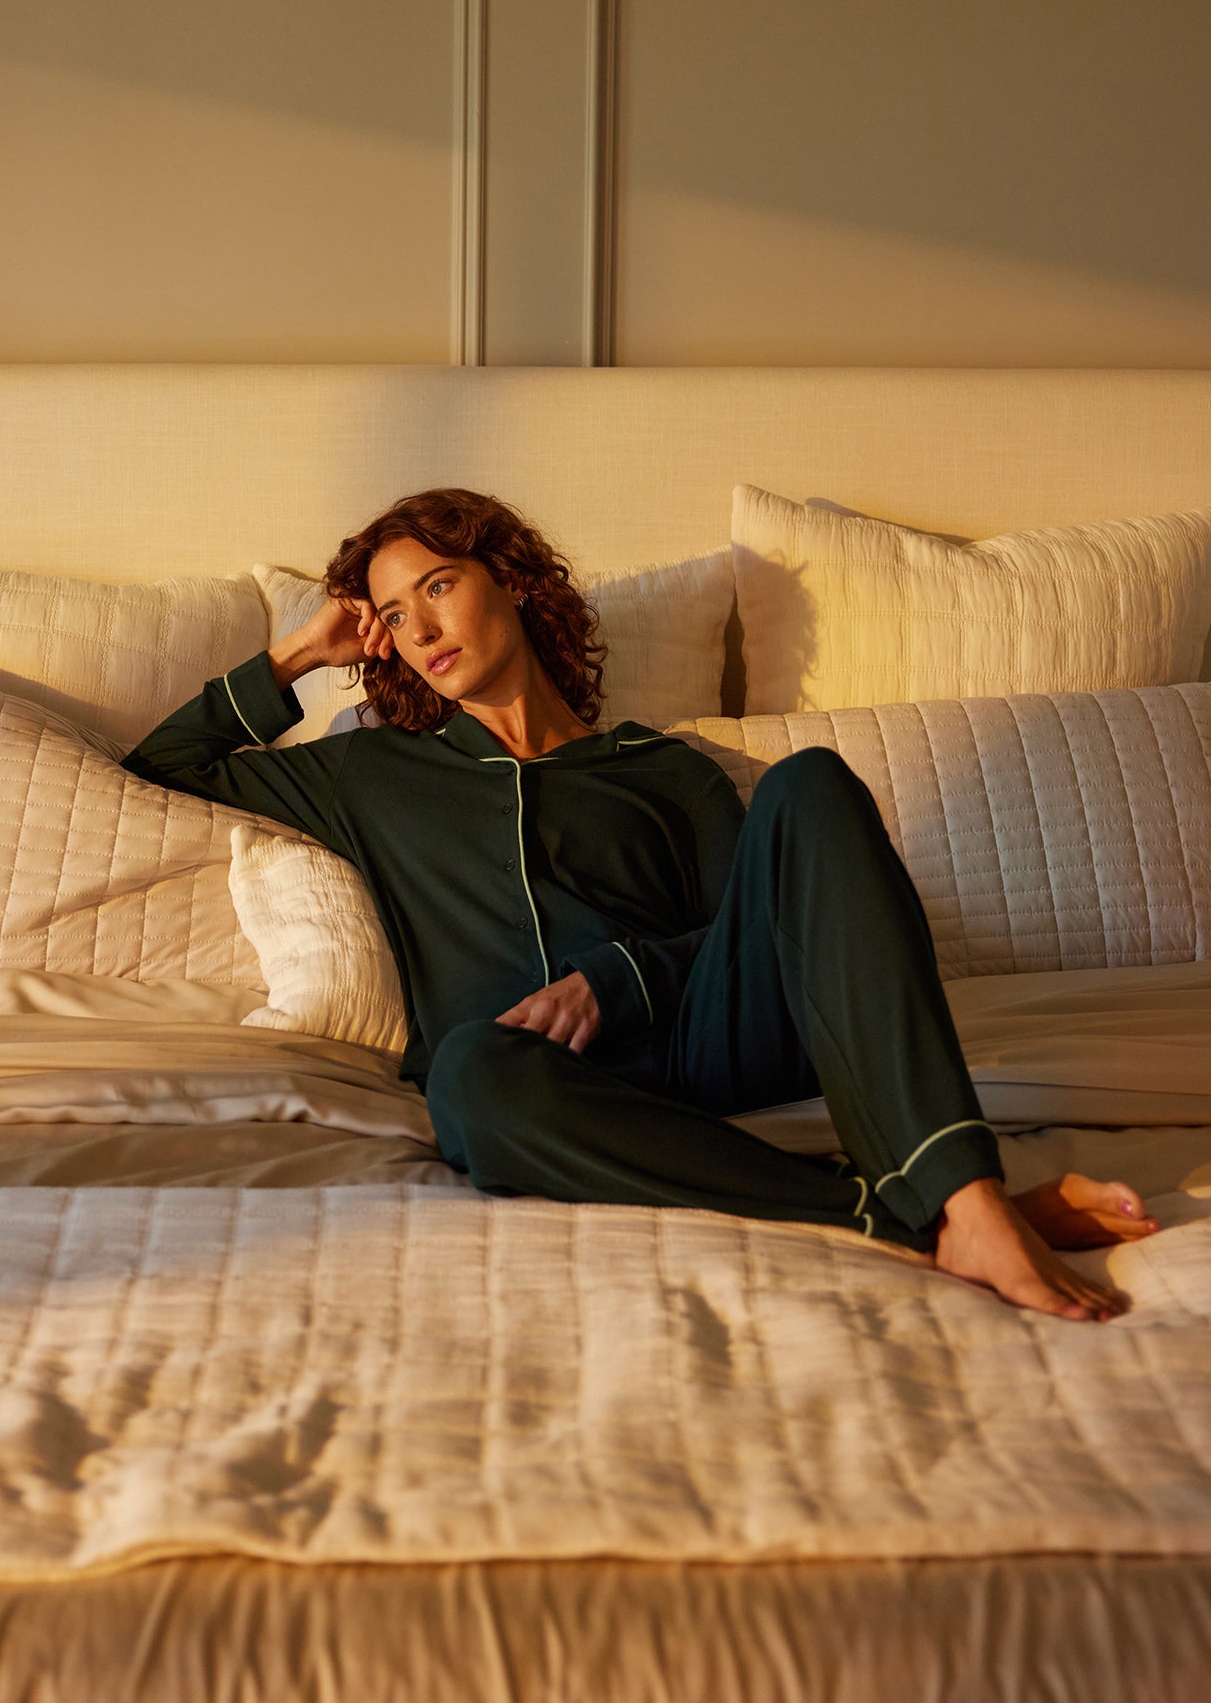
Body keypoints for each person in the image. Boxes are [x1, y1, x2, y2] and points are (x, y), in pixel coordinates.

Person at [125, 487, 1158, 1321]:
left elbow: (759, 938)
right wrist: (301, 654)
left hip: (699, 1040)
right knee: (469, 1073)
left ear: (513, 585)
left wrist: (622, 980)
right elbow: (159, 763)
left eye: (438, 586)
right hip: (539, 1089)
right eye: (395, 613)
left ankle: (961, 1188)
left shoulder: (660, 771)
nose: (420, 625)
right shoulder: (372, 776)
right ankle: (913, 1216)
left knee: (811, 785)